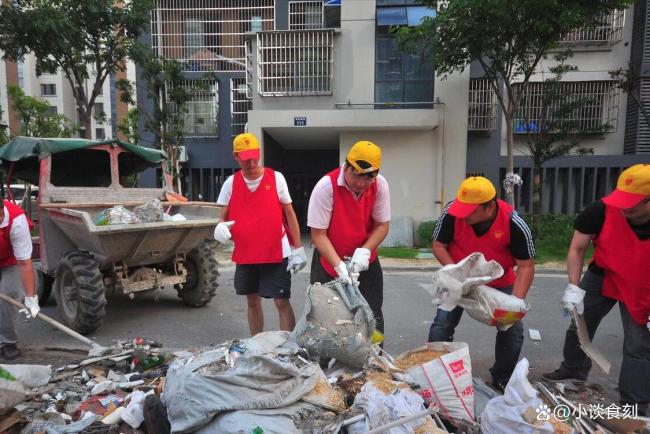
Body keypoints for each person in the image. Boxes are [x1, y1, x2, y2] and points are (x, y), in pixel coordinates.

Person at [543, 164, 650, 416]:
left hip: (643, 285)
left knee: (639, 344)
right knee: (580, 324)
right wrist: (573, 285)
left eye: (632, 206)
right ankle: (573, 368)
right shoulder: (601, 210)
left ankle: (634, 404)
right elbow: (577, 248)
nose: (624, 210)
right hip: (604, 275)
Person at [429, 176, 535, 390]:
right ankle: (434, 372)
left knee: (512, 329)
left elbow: (526, 265)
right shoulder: (452, 212)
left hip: (498, 279)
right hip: (457, 274)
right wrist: (456, 273)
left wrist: (516, 301)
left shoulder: (514, 223)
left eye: (469, 210)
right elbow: (439, 245)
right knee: (443, 322)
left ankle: (502, 379)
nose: (461, 214)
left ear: (489, 207)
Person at [213, 133, 306, 336]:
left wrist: (297, 248)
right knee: (252, 301)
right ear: (236, 157)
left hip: (275, 252)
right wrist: (219, 228)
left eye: (255, 157)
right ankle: (257, 344)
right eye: (246, 159)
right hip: (247, 254)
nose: (252, 163)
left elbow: (290, 214)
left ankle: (288, 346)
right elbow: (221, 217)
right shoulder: (231, 183)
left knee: (281, 301)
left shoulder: (276, 178)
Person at [307, 140, 390, 335]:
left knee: (372, 313)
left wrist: (365, 251)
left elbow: (382, 225)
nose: (361, 184)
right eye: (356, 176)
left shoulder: (380, 186)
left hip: (364, 263)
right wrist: (338, 266)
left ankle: (372, 360)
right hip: (328, 262)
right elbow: (318, 234)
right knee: (325, 316)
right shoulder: (326, 187)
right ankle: (325, 363)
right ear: (347, 166)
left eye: (368, 178)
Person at [0, 197, 39, 360]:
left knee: (8, 295)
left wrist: (31, 298)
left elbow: (24, 262)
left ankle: (7, 342)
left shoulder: (16, 219)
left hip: (11, 261)